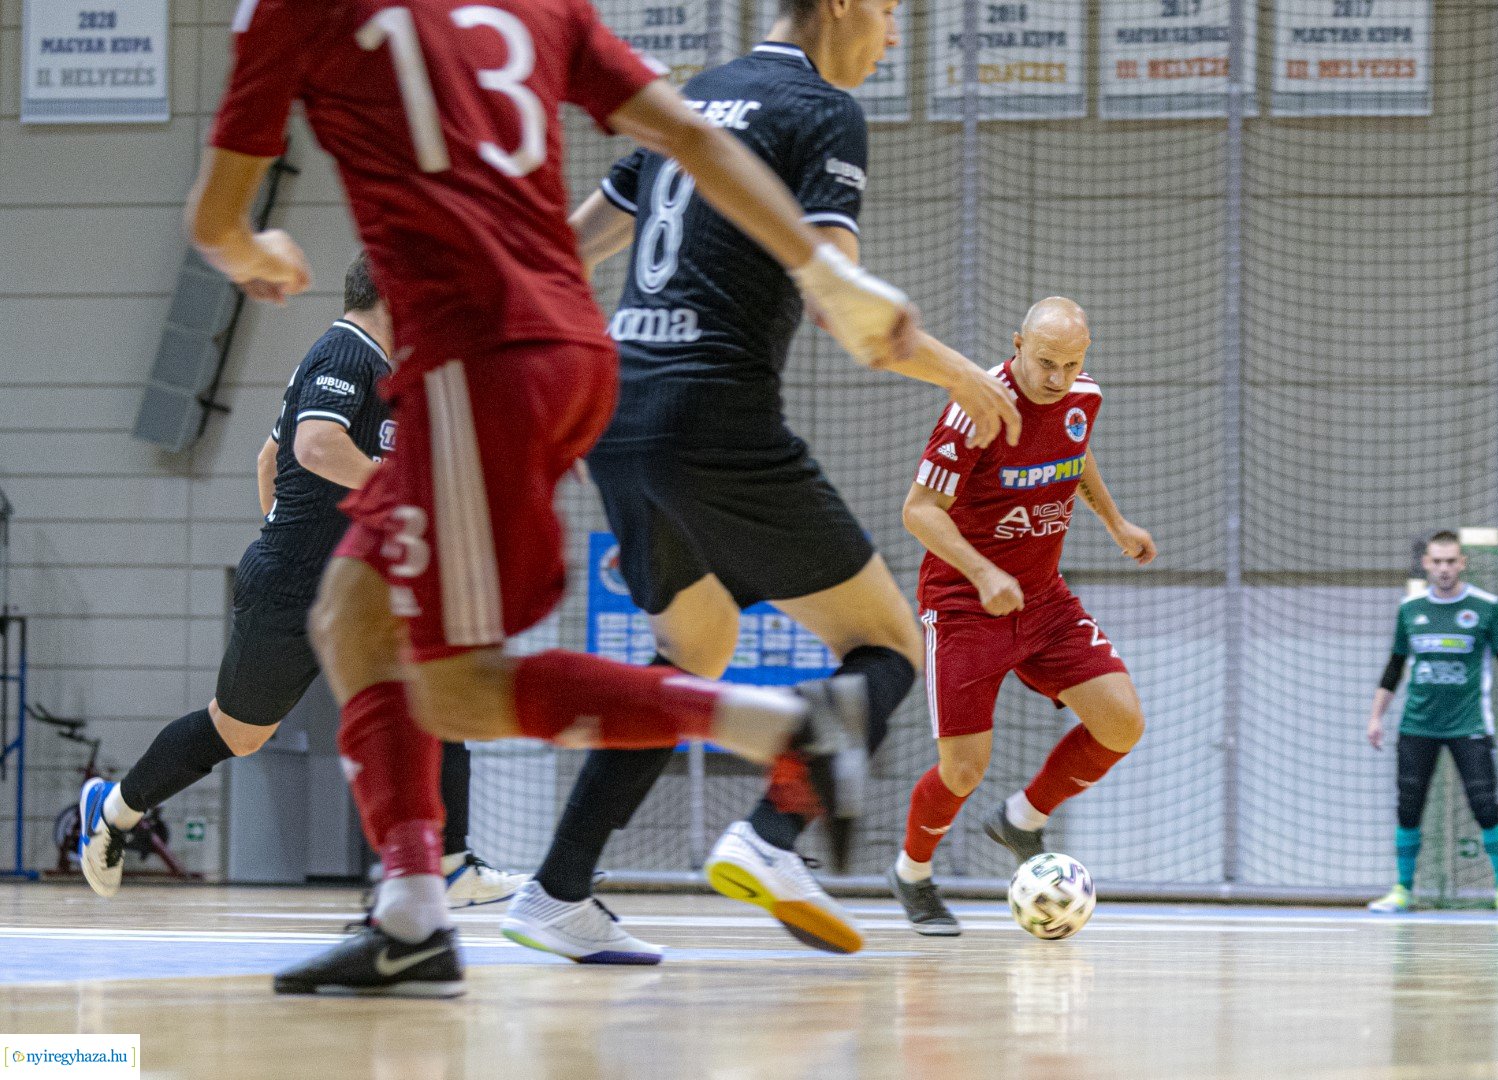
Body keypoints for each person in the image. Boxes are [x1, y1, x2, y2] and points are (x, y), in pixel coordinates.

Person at [190, 0, 920, 997]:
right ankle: (413, 910)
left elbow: (217, 220)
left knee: (448, 686)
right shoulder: (541, 6)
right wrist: (823, 271)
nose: (888, 28)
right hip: (561, 348)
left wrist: (254, 253)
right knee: (353, 617)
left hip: (483, 353)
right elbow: (689, 139)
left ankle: (773, 727)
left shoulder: (296, 12)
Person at [507, 0, 1022, 962]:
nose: (894, 33)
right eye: (886, 11)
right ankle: (771, 833)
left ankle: (556, 891)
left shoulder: (687, 99)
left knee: (695, 649)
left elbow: (559, 253)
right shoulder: (819, 109)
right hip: (713, 414)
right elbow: (848, 309)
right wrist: (963, 376)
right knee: (888, 645)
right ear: (835, 6)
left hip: (618, 417)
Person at [76, 254, 524, 909]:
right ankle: (115, 807)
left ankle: (450, 862)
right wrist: (316, 531)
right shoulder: (346, 353)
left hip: (349, 588)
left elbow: (271, 454)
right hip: (291, 588)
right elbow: (312, 447)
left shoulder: (381, 369)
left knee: (435, 690)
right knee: (240, 732)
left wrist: (296, 520)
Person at [884, 299, 1155, 936]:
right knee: (964, 770)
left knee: (1121, 723)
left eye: (1071, 363)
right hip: (964, 607)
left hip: (1042, 598)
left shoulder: (1082, 396)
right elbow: (919, 510)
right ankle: (913, 873)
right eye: (1045, 362)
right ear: (1016, 345)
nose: (1057, 378)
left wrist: (1115, 523)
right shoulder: (974, 407)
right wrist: (981, 571)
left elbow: (1074, 451)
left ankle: (1023, 820)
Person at [1366, 530, 1498, 915]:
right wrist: (1376, 717)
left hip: (1469, 724)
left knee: (1485, 806)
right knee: (1408, 807)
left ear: (1462, 563)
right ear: (1426, 564)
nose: (1444, 569)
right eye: (1437, 562)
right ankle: (1403, 889)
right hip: (1417, 725)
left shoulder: (1486, 607)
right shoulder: (1410, 609)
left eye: (1451, 561)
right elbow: (1394, 666)